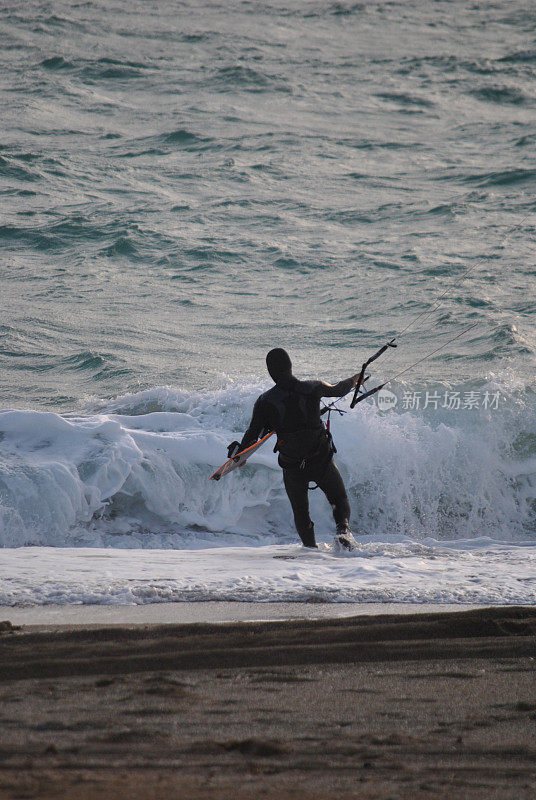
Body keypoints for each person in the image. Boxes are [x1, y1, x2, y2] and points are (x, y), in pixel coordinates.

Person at [227, 348, 359, 550]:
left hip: (293, 465)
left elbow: (252, 435)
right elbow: (339, 390)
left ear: (271, 372)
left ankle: (310, 550)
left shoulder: (264, 402)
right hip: (320, 459)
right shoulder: (313, 387)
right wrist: (355, 379)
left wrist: (240, 454)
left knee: (301, 512)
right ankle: (343, 530)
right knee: (339, 499)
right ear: (290, 366)